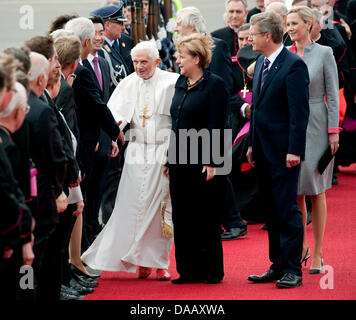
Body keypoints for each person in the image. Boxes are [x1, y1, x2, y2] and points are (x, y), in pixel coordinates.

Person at [82, 41, 179, 281]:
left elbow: (182, 118)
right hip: (136, 152)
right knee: (133, 207)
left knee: (159, 210)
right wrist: (113, 138)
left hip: (162, 152)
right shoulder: (128, 82)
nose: (139, 67)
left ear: (157, 61)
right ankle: (138, 261)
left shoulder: (172, 82)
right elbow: (114, 116)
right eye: (135, 62)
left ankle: (159, 263)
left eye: (144, 62)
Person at [246, 11, 310, 288]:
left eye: (253, 34)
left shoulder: (294, 65)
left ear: (268, 36)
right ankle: (278, 264)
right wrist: (251, 145)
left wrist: (294, 150)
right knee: (270, 211)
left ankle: (293, 269)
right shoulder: (261, 62)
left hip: (285, 153)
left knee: (286, 211)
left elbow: (299, 113)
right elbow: (257, 109)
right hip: (262, 149)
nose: (250, 38)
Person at [175, 6, 247, 241]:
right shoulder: (183, 50)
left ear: (192, 26)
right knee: (205, 175)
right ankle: (215, 221)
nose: (176, 28)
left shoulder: (216, 46)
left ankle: (235, 222)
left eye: (180, 24)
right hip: (192, 122)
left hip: (213, 119)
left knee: (218, 173)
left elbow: (224, 85)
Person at [167, 33, 228, 284]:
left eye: (181, 56)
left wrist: (213, 160)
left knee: (205, 216)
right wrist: (170, 160)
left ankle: (211, 270)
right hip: (180, 158)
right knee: (182, 216)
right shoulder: (181, 83)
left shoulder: (215, 84)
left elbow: (219, 124)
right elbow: (176, 123)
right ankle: (188, 270)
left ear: (196, 58)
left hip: (204, 161)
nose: (177, 60)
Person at [286, 6, 339, 274]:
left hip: (318, 123)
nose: (290, 28)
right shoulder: (284, 54)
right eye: (288, 23)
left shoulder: (325, 53)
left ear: (309, 24)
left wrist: (333, 130)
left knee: (316, 189)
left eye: (295, 23)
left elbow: (332, 94)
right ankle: (302, 245)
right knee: (296, 190)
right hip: (291, 125)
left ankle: (317, 252)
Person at [65, 17, 124, 253]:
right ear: (87, 40)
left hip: (91, 139)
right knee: (80, 200)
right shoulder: (80, 70)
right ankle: (79, 253)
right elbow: (97, 106)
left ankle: (84, 247)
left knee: (88, 196)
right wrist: (115, 131)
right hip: (82, 144)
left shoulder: (99, 63)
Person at [90, 3, 133, 94]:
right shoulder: (100, 50)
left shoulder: (125, 41)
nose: (123, 27)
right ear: (108, 25)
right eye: (120, 23)